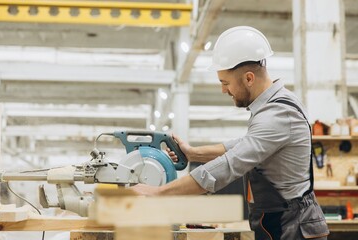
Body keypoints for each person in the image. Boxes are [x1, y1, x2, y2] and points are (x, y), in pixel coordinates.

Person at [131, 26, 329, 240]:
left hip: (293, 228)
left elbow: (231, 163)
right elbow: (243, 145)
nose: (223, 90)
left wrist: (159, 193)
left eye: (225, 83)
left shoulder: (278, 113)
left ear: (249, 78)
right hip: (279, 223)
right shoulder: (272, 107)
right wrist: (193, 154)